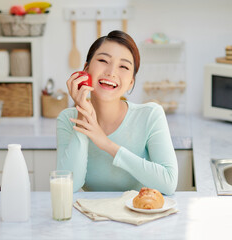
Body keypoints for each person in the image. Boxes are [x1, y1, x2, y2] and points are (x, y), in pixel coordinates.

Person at [57, 30, 178, 195]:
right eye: (103, 60)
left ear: (130, 83)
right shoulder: (67, 119)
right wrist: (83, 114)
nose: (111, 72)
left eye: (123, 66)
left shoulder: (150, 115)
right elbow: (68, 187)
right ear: (86, 69)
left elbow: (169, 183)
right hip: (91, 217)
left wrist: (106, 144)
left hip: (139, 216)